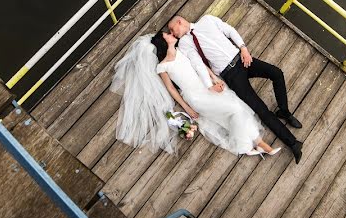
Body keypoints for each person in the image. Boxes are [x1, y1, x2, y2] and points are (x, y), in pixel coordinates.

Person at [110, 33, 280, 157]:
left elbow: (200, 66)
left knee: (238, 110)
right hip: (196, 97)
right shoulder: (162, 67)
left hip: (208, 87)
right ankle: (245, 146)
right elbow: (171, 90)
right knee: (235, 110)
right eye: (167, 35)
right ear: (163, 42)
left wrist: (214, 79)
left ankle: (259, 145)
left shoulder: (181, 52)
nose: (171, 34)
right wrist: (187, 108)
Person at [169, 14, 304, 163]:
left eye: (171, 29)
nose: (172, 33)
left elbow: (229, 30)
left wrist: (243, 48)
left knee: (276, 73)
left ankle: (284, 112)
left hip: (243, 59)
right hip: (231, 75)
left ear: (179, 21)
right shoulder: (185, 43)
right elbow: (197, 63)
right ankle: (293, 143)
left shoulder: (207, 20)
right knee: (261, 110)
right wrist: (209, 85)